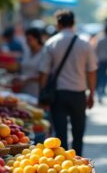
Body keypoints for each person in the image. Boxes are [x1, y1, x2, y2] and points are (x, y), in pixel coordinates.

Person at [39, 10, 97, 156]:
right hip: (78, 94)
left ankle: (64, 168)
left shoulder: (51, 43)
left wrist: (42, 95)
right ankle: (77, 165)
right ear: (73, 23)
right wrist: (92, 94)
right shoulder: (85, 44)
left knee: (60, 135)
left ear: (58, 24)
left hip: (58, 95)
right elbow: (91, 71)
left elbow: (44, 73)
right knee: (78, 134)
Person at [16, 28, 45, 96]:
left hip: (36, 92)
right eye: (26, 40)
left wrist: (27, 79)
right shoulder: (26, 51)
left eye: (30, 40)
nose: (27, 42)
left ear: (37, 39)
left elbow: (44, 75)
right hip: (24, 91)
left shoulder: (44, 53)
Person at [92, 22, 107, 103]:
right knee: (105, 78)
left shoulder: (99, 39)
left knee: (100, 78)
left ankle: (100, 93)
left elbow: (95, 50)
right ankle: (101, 92)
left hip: (99, 61)